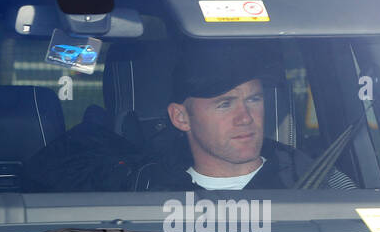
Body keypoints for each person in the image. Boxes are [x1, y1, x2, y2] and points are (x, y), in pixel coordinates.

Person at [133, 43, 357, 191]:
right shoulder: (147, 192)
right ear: (181, 117)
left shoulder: (320, 183)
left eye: (253, 100)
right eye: (225, 104)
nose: (245, 118)